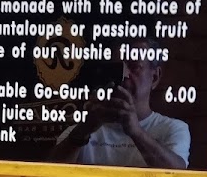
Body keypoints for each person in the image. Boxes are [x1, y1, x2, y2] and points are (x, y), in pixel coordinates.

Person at [49, 52, 191, 169]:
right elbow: (50, 173)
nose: (124, 76)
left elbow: (178, 176)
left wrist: (136, 132)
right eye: (116, 68)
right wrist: (84, 130)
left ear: (154, 77)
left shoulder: (173, 128)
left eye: (134, 67)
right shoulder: (82, 129)